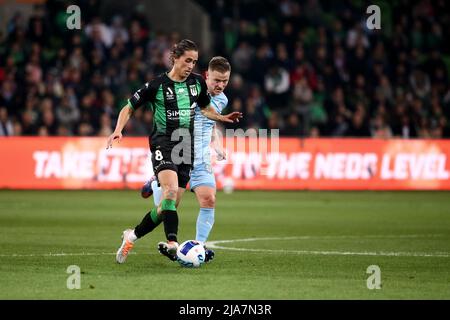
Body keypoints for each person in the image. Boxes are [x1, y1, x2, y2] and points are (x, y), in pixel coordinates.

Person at [107, 39, 242, 264]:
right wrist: (118, 130)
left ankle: (131, 235)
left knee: (167, 208)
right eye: (187, 60)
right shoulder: (157, 85)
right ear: (175, 58)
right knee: (169, 193)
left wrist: (222, 121)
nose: (191, 65)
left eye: (194, 61)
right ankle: (173, 244)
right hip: (164, 144)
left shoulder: (197, 85)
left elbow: (207, 114)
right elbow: (129, 106)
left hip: (188, 151)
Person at [141, 56, 231, 263]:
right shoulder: (190, 89)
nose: (221, 85)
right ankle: (156, 183)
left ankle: (199, 246)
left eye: (225, 81)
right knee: (165, 207)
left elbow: (211, 124)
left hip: (201, 158)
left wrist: (217, 145)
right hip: (178, 153)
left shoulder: (222, 100)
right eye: (217, 80)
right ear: (207, 76)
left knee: (209, 199)